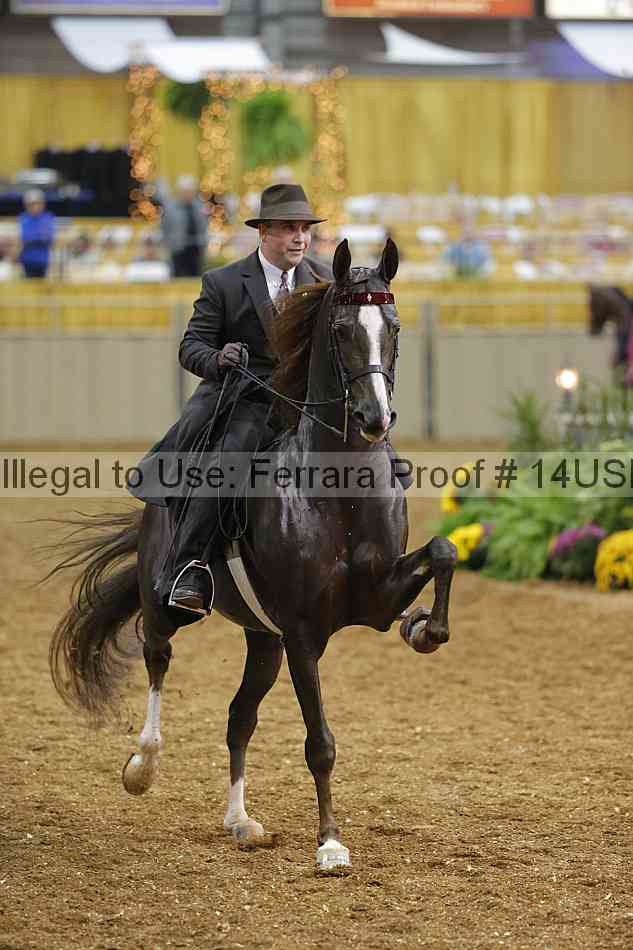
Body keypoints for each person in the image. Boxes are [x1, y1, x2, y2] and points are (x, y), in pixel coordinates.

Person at [130, 183, 331, 616]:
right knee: (229, 460)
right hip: (248, 401)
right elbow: (191, 347)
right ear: (264, 232)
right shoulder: (223, 282)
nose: (299, 237)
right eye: (288, 228)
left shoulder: (324, 280)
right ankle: (188, 566)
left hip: (307, 405)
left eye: (304, 229)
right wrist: (219, 358)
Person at [160, 175, 209, 278]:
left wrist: (204, 241)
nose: (188, 194)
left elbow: (204, 225)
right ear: (179, 192)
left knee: (196, 276)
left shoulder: (199, 206)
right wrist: (169, 244)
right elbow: (164, 228)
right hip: (178, 248)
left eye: (190, 191)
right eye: (185, 192)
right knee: (178, 276)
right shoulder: (170, 208)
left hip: (196, 247)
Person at [18, 189, 56, 279]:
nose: (35, 207)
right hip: (27, 260)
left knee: (42, 284)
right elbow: (25, 237)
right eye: (31, 204)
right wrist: (38, 237)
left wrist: (35, 238)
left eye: (37, 203)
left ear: (42, 204)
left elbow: (48, 237)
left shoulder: (48, 217)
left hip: (43, 260)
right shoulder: (24, 218)